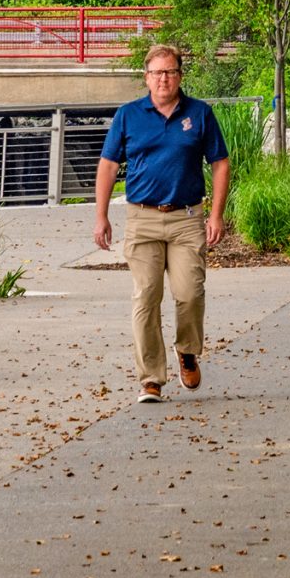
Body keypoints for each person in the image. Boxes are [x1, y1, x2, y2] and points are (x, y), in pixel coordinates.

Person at [93, 43, 231, 404]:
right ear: (146, 77)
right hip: (143, 218)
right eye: (157, 73)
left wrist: (216, 214)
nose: (163, 79)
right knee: (146, 296)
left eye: (170, 72)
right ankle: (151, 378)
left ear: (180, 75)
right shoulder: (128, 115)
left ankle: (187, 351)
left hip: (187, 218)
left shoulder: (199, 113)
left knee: (190, 294)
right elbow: (108, 165)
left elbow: (220, 163)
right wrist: (101, 215)